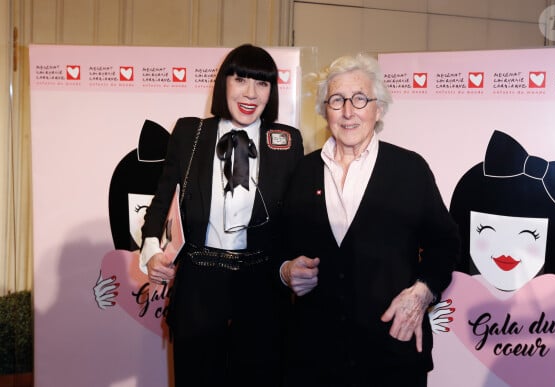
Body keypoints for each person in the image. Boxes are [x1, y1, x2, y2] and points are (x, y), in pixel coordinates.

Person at [279, 53, 460, 387]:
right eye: (337, 100)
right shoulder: (302, 172)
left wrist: (422, 291)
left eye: (360, 99)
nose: (349, 112)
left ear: (378, 108)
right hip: (314, 357)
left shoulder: (410, 170)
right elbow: (280, 245)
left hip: (391, 353)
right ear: (324, 111)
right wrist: (286, 270)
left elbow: (446, 244)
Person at [140, 44, 304, 387]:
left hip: (261, 284)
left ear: (272, 91)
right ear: (223, 84)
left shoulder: (287, 142)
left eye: (262, 83)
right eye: (240, 79)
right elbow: (161, 201)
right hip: (200, 280)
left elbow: (296, 217)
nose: (250, 93)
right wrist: (153, 250)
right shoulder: (189, 133)